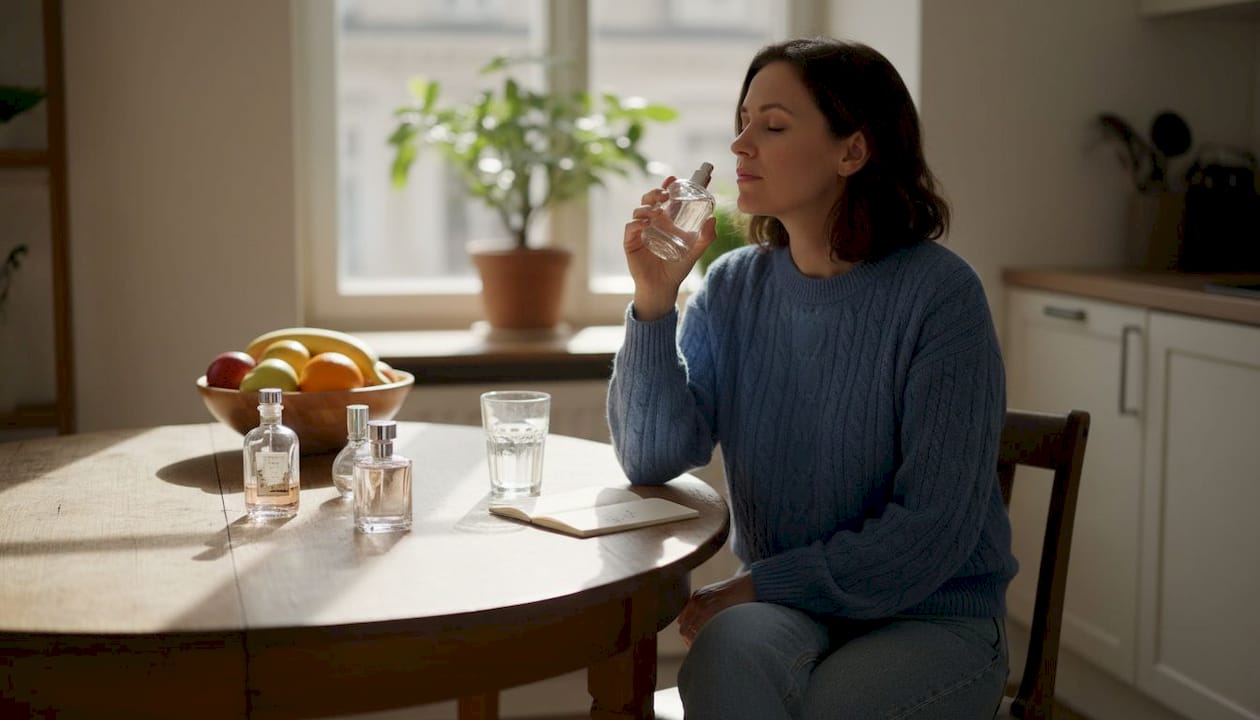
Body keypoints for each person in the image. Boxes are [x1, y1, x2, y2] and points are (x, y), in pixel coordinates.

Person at [607, 37, 1017, 720]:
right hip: (793, 607)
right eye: (742, 122)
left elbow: (933, 528)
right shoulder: (733, 288)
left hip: (933, 618)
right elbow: (651, 455)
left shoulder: (940, 295)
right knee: (724, 655)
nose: (740, 146)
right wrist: (653, 299)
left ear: (851, 151)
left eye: (771, 126)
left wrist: (761, 584)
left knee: (829, 706)